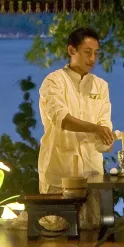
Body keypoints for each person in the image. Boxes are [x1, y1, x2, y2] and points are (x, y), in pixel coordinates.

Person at [37, 27, 114, 230]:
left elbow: (104, 120)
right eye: (88, 52)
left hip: (91, 169)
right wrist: (95, 129)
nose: (93, 59)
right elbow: (61, 119)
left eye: (96, 53)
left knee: (92, 227)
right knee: (56, 229)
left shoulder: (101, 86)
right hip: (59, 167)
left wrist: (106, 135)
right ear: (72, 51)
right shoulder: (54, 81)